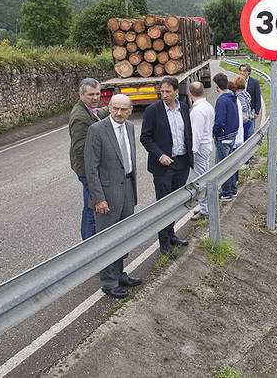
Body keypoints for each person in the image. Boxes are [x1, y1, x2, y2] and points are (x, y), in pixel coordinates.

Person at [84, 94, 142, 298]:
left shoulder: (130, 127)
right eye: (115, 108)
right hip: (107, 194)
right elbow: (90, 168)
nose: (118, 113)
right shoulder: (97, 130)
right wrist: (98, 198)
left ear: (130, 111)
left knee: (123, 235)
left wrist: (132, 191)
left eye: (123, 109)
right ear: (109, 108)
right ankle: (108, 282)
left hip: (127, 187)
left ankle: (119, 274)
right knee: (108, 239)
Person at [140, 76, 192, 258]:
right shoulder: (152, 111)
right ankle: (163, 243)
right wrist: (160, 155)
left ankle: (171, 235)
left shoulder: (184, 108)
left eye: (168, 91)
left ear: (176, 92)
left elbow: (187, 133)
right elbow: (145, 137)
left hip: (182, 162)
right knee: (163, 204)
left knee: (175, 203)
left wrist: (190, 153)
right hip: (163, 165)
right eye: (161, 91)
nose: (164, 95)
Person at [69, 78, 109, 240]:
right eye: (90, 94)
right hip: (86, 170)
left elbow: (98, 113)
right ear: (81, 95)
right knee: (91, 207)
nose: (95, 98)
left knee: (91, 205)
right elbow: (80, 150)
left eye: (98, 94)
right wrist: (92, 174)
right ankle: (89, 244)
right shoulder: (79, 117)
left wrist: (111, 108)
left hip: (90, 169)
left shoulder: (88, 110)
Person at [188, 82, 215, 221]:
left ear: (190, 93)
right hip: (207, 144)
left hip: (200, 147)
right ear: (203, 91)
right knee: (204, 176)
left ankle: (205, 210)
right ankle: (206, 206)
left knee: (199, 180)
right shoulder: (208, 106)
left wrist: (193, 151)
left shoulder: (197, 111)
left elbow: (196, 133)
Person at [212, 73, 239, 201]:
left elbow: (220, 121)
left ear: (217, 86)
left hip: (223, 137)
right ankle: (232, 189)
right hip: (232, 135)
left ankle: (226, 193)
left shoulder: (222, 100)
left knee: (223, 167)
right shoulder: (232, 96)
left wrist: (214, 132)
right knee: (231, 165)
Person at [239, 63, 261, 139]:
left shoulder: (254, 82)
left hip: (251, 113)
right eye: (241, 71)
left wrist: (257, 112)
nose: (242, 73)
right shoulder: (237, 81)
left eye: (244, 71)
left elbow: (258, 98)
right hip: (240, 113)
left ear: (248, 72)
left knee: (250, 134)